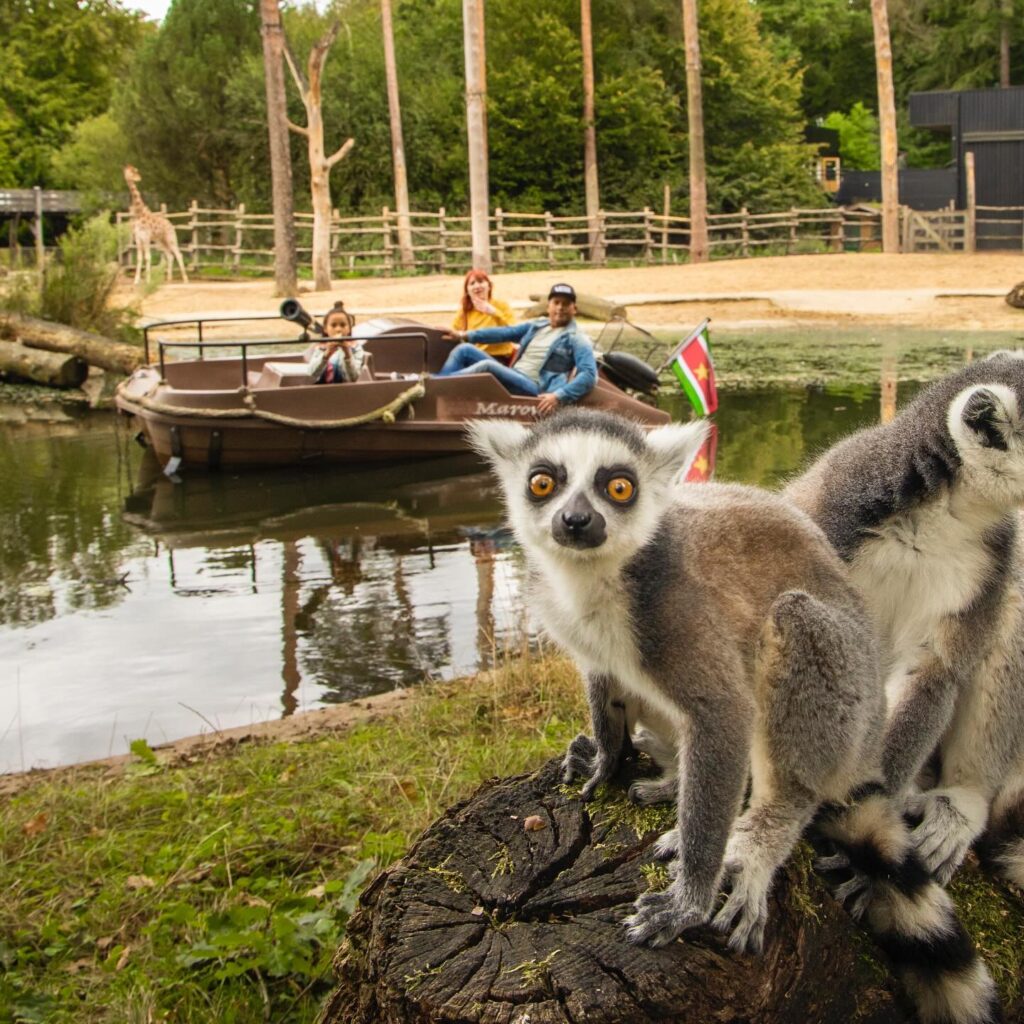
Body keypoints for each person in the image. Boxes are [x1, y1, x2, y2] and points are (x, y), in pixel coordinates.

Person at [437, 283, 596, 416]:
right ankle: (436, 389)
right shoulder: (537, 326)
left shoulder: (577, 338)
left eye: (566, 304)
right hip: (514, 375)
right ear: (548, 306)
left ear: (574, 309)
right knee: (464, 348)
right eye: (556, 303)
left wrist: (558, 396)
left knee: (487, 366)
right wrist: (463, 334)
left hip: (534, 387)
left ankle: (433, 387)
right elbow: (504, 333)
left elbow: (589, 374)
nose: (560, 308)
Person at [452, 269, 516, 361]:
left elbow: (514, 332)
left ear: (489, 286)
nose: (477, 286)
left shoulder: (501, 305)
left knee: (465, 351)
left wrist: (494, 312)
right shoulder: (464, 311)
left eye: (481, 282)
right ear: (467, 290)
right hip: (473, 356)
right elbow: (454, 332)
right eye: (472, 283)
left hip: (498, 357)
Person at [306, 301, 366, 383]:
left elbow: (353, 378)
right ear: (325, 329)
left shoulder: (355, 348)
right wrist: (326, 354)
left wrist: (347, 353)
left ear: (349, 328)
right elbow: (311, 374)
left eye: (343, 325)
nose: (338, 329)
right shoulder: (321, 347)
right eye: (333, 325)